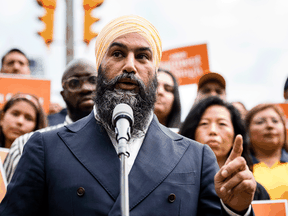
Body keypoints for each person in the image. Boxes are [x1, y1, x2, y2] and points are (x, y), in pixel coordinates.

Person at [0, 15, 256, 215]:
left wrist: (235, 210)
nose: (130, 65)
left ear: (155, 74)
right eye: (118, 54)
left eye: (143, 56)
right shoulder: (45, 148)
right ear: (99, 70)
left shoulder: (196, 158)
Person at [3, 58, 97, 182]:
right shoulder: (25, 145)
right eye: (74, 83)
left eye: (93, 80)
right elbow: (8, 198)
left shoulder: (122, 142)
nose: (86, 88)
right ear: (63, 94)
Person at [180, 96, 270, 200]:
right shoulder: (176, 186)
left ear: (235, 135)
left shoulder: (253, 191)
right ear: (192, 134)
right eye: (204, 123)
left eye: (222, 124)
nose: (213, 131)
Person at [245, 103, 288, 200]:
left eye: (275, 121)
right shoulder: (240, 168)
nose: (269, 126)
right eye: (260, 122)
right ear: (247, 131)